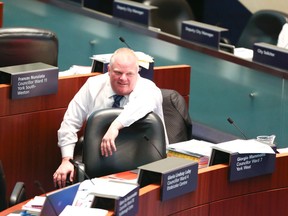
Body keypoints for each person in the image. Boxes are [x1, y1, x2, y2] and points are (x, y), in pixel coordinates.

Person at [53, 47, 166, 188]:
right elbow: (70, 122)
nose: (123, 79)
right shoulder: (93, 86)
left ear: (138, 72)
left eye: (129, 74)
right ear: (109, 70)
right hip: (99, 168)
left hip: (143, 171)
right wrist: (66, 160)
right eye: (118, 72)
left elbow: (140, 106)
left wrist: (115, 126)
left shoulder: (149, 89)